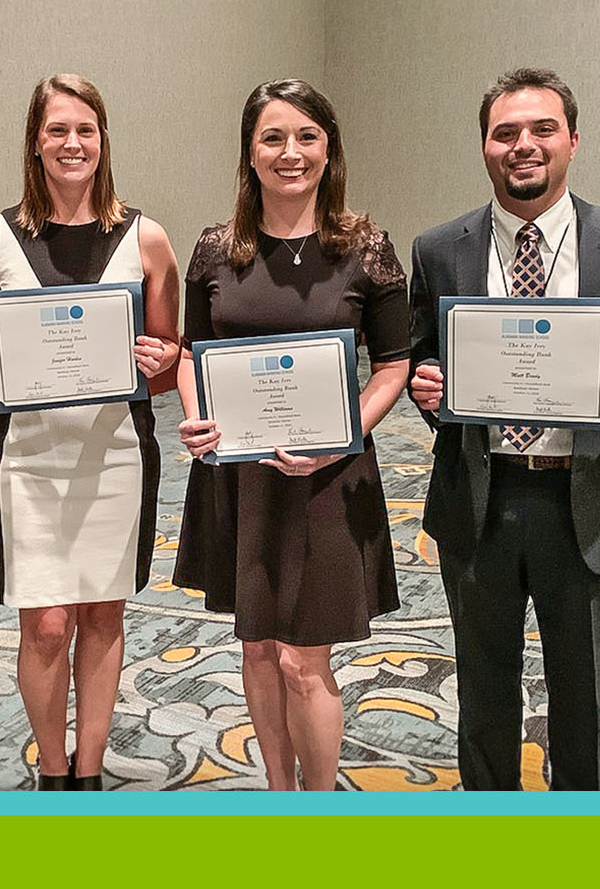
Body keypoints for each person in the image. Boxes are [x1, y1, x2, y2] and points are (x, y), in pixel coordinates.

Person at [408, 67, 600, 790]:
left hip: (589, 500)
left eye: (542, 128)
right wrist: (428, 386)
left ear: (572, 139)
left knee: (585, 700)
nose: (524, 145)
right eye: (505, 131)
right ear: (484, 145)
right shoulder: (438, 247)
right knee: (483, 696)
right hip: (479, 502)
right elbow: (423, 354)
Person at [175, 79, 410, 791]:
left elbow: (394, 364)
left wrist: (345, 436)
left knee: (304, 659)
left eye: (307, 137)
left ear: (328, 148)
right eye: (273, 138)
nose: (291, 153)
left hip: (329, 479)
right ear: (250, 152)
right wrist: (194, 414)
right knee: (255, 650)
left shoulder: (365, 247)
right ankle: (279, 798)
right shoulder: (216, 249)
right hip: (238, 475)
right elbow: (191, 353)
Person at [0, 74, 180, 790]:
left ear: (102, 139)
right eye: (57, 129)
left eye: (85, 128)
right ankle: (52, 774)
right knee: (48, 623)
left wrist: (161, 357)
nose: (72, 142)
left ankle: (88, 775)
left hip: (114, 452)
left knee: (102, 612)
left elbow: (170, 348)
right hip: (24, 456)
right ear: (35, 141)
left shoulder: (146, 238)